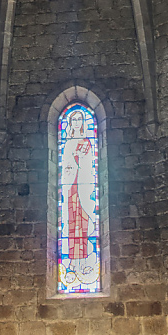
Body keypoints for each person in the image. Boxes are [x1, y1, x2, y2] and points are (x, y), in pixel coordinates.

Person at [60, 108, 98, 285]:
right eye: (73, 120)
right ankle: (72, 266)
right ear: (70, 123)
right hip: (70, 189)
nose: (76, 123)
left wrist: (81, 159)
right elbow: (65, 165)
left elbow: (89, 166)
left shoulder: (87, 142)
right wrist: (72, 163)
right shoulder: (67, 143)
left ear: (83, 123)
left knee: (82, 226)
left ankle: (83, 264)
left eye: (79, 120)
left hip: (83, 188)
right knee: (72, 224)